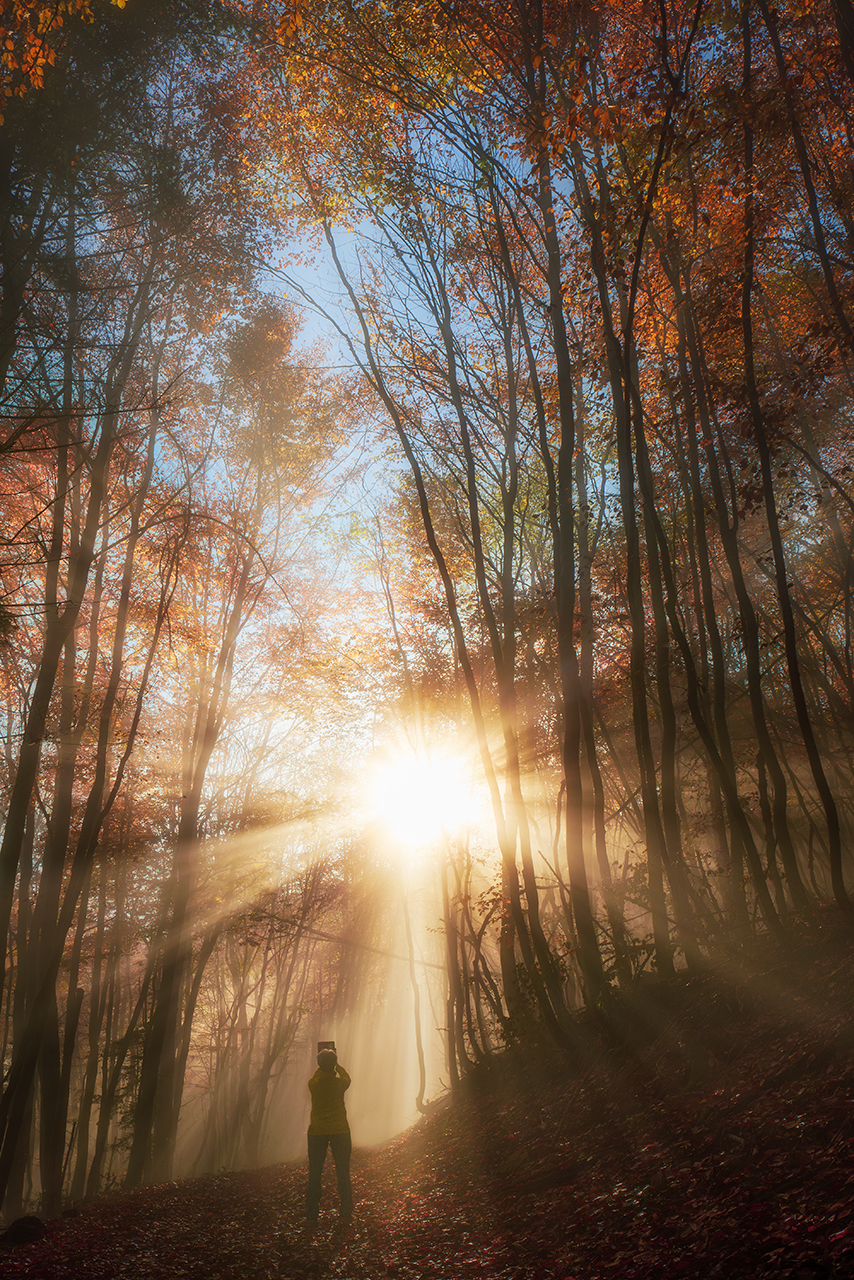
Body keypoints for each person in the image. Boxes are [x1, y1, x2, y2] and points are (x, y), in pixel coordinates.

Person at [305, 1048, 353, 1229]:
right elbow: (347, 1077)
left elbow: (317, 1076)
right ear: (333, 1065)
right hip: (340, 1131)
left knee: (315, 1174)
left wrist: (324, 1064)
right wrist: (337, 1065)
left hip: (317, 1132)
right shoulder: (340, 1084)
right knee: (343, 1172)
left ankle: (311, 1216)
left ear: (319, 1065)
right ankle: (346, 1212)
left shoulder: (314, 1085)